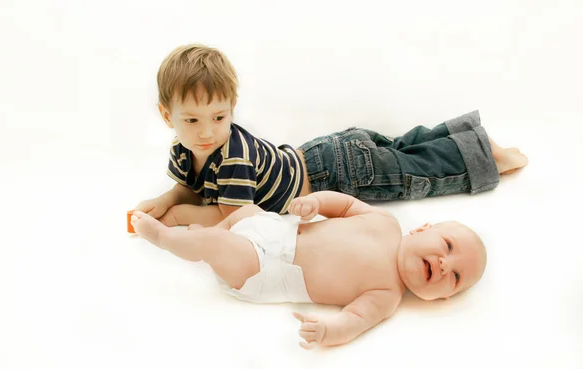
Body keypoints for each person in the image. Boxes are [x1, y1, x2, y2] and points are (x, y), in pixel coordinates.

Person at [133, 43, 528, 227]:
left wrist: (175, 217)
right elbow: (190, 187)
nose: (207, 132)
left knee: (415, 175)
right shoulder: (183, 150)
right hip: (324, 153)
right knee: (401, 149)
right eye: (192, 121)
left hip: (337, 174)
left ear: (232, 108)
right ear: (167, 116)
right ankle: (466, 133)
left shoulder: (232, 153)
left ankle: (488, 156)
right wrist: (166, 198)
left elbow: (234, 219)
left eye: (219, 117)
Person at [130, 190, 487, 349]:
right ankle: (205, 236)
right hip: (274, 227)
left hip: (264, 271)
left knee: (218, 247)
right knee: (244, 211)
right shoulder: (385, 221)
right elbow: (344, 204)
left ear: (441, 297)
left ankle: (165, 238)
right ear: (423, 228)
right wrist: (314, 202)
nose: (444, 264)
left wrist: (328, 332)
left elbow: (353, 322)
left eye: (455, 277)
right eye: (448, 247)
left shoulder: (387, 296)